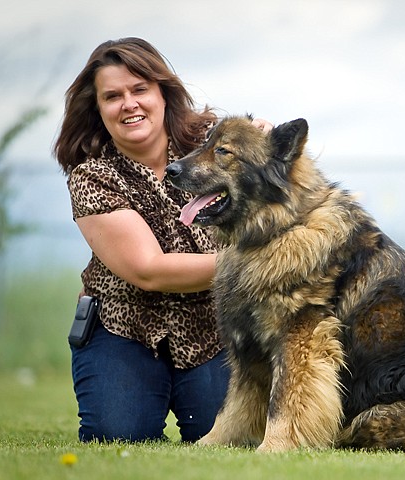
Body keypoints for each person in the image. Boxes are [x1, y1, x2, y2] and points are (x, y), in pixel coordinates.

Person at [53, 37, 271, 442]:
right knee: (118, 434)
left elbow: (266, 156)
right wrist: (259, 265)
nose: (129, 104)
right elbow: (149, 270)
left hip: (216, 326)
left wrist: (266, 139)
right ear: (98, 108)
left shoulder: (214, 142)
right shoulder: (91, 175)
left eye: (139, 90)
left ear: (162, 94)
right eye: (113, 96)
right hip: (122, 326)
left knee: (231, 437)